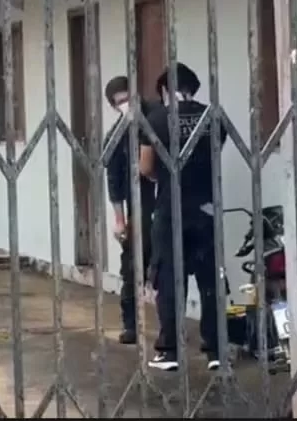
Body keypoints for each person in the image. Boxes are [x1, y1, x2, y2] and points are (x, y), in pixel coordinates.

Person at [139, 63, 227, 372]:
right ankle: (216, 351)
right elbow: (215, 154)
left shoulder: (155, 119)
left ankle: (170, 352)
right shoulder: (212, 116)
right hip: (205, 208)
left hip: (170, 209)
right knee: (210, 280)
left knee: (169, 280)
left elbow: (146, 167)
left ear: (165, 90)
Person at [103, 76, 157, 345]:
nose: (126, 105)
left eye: (128, 98)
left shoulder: (158, 116)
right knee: (132, 265)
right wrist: (119, 220)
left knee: (170, 266)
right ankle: (131, 325)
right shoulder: (117, 134)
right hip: (139, 206)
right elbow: (113, 178)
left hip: (168, 201)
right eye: (120, 102)